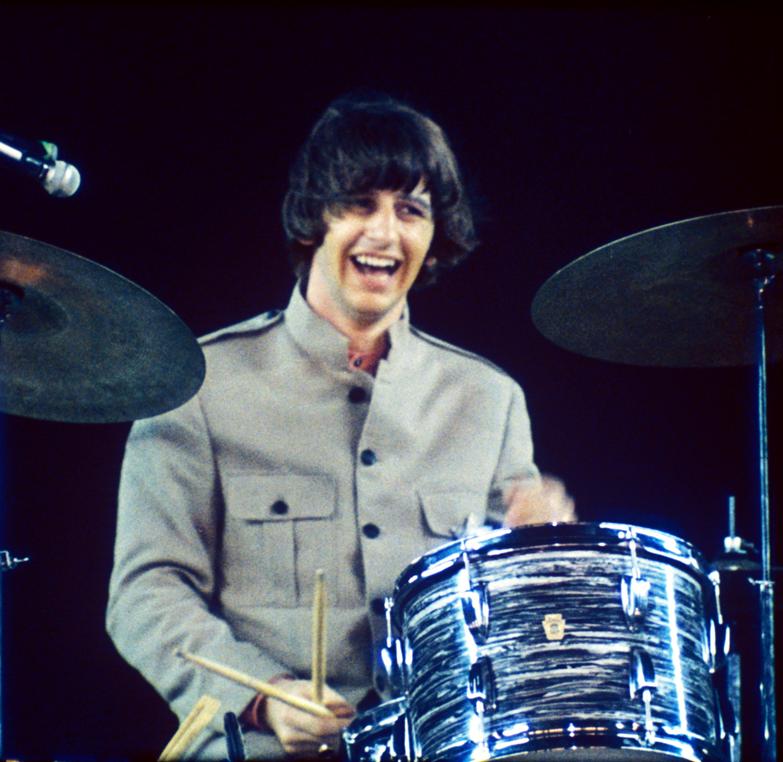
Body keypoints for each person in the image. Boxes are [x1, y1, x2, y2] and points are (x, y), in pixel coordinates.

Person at [106, 93, 575, 759]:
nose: (386, 233)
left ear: (434, 234)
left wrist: (542, 558)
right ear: (314, 219)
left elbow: (521, 630)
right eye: (360, 204)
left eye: (411, 211)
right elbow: (144, 594)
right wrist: (263, 696)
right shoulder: (195, 386)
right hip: (263, 746)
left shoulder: (490, 399)